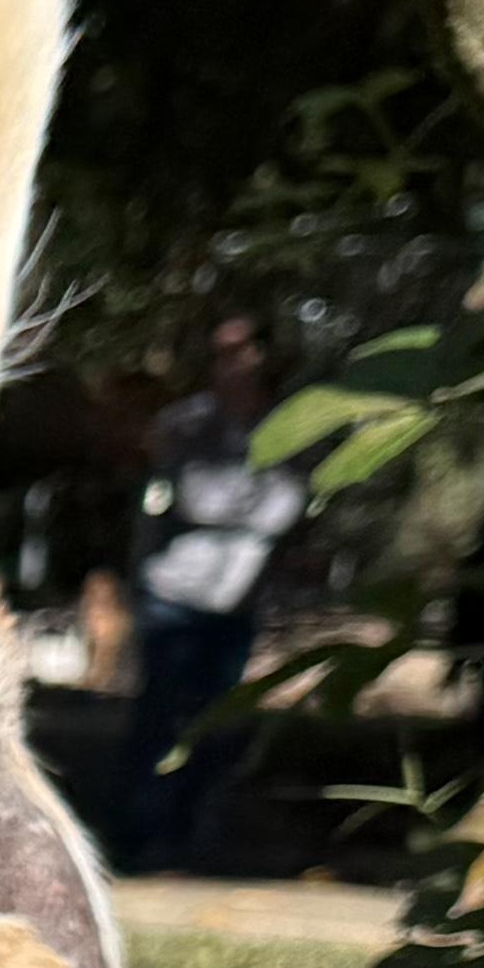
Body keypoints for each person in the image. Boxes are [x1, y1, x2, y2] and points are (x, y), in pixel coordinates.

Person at [114, 313, 303, 867]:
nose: (230, 364)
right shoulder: (185, 424)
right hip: (173, 596)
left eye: (240, 351)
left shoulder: (290, 426)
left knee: (214, 726)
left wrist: (246, 505)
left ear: (265, 357)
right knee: (158, 720)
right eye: (220, 353)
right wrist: (252, 503)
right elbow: (200, 498)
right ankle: (140, 839)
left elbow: (287, 505)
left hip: (236, 604)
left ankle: (190, 838)